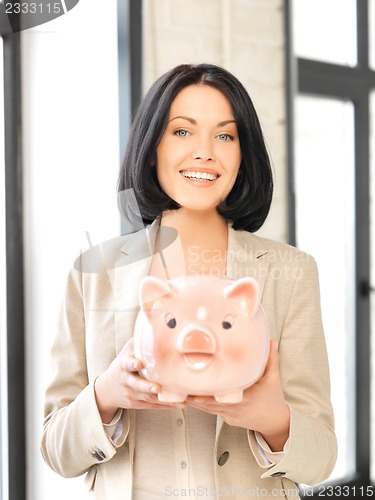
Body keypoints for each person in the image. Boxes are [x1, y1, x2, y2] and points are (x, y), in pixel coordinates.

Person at [41, 63, 337, 499]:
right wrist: (108, 393)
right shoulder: (94, 274)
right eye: (182, 131)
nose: (205, 152)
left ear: (243, 153)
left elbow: (322, 458)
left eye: (225, 135)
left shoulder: (288, 273)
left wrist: (272, 419)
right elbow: (55, 449)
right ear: (151, 148)